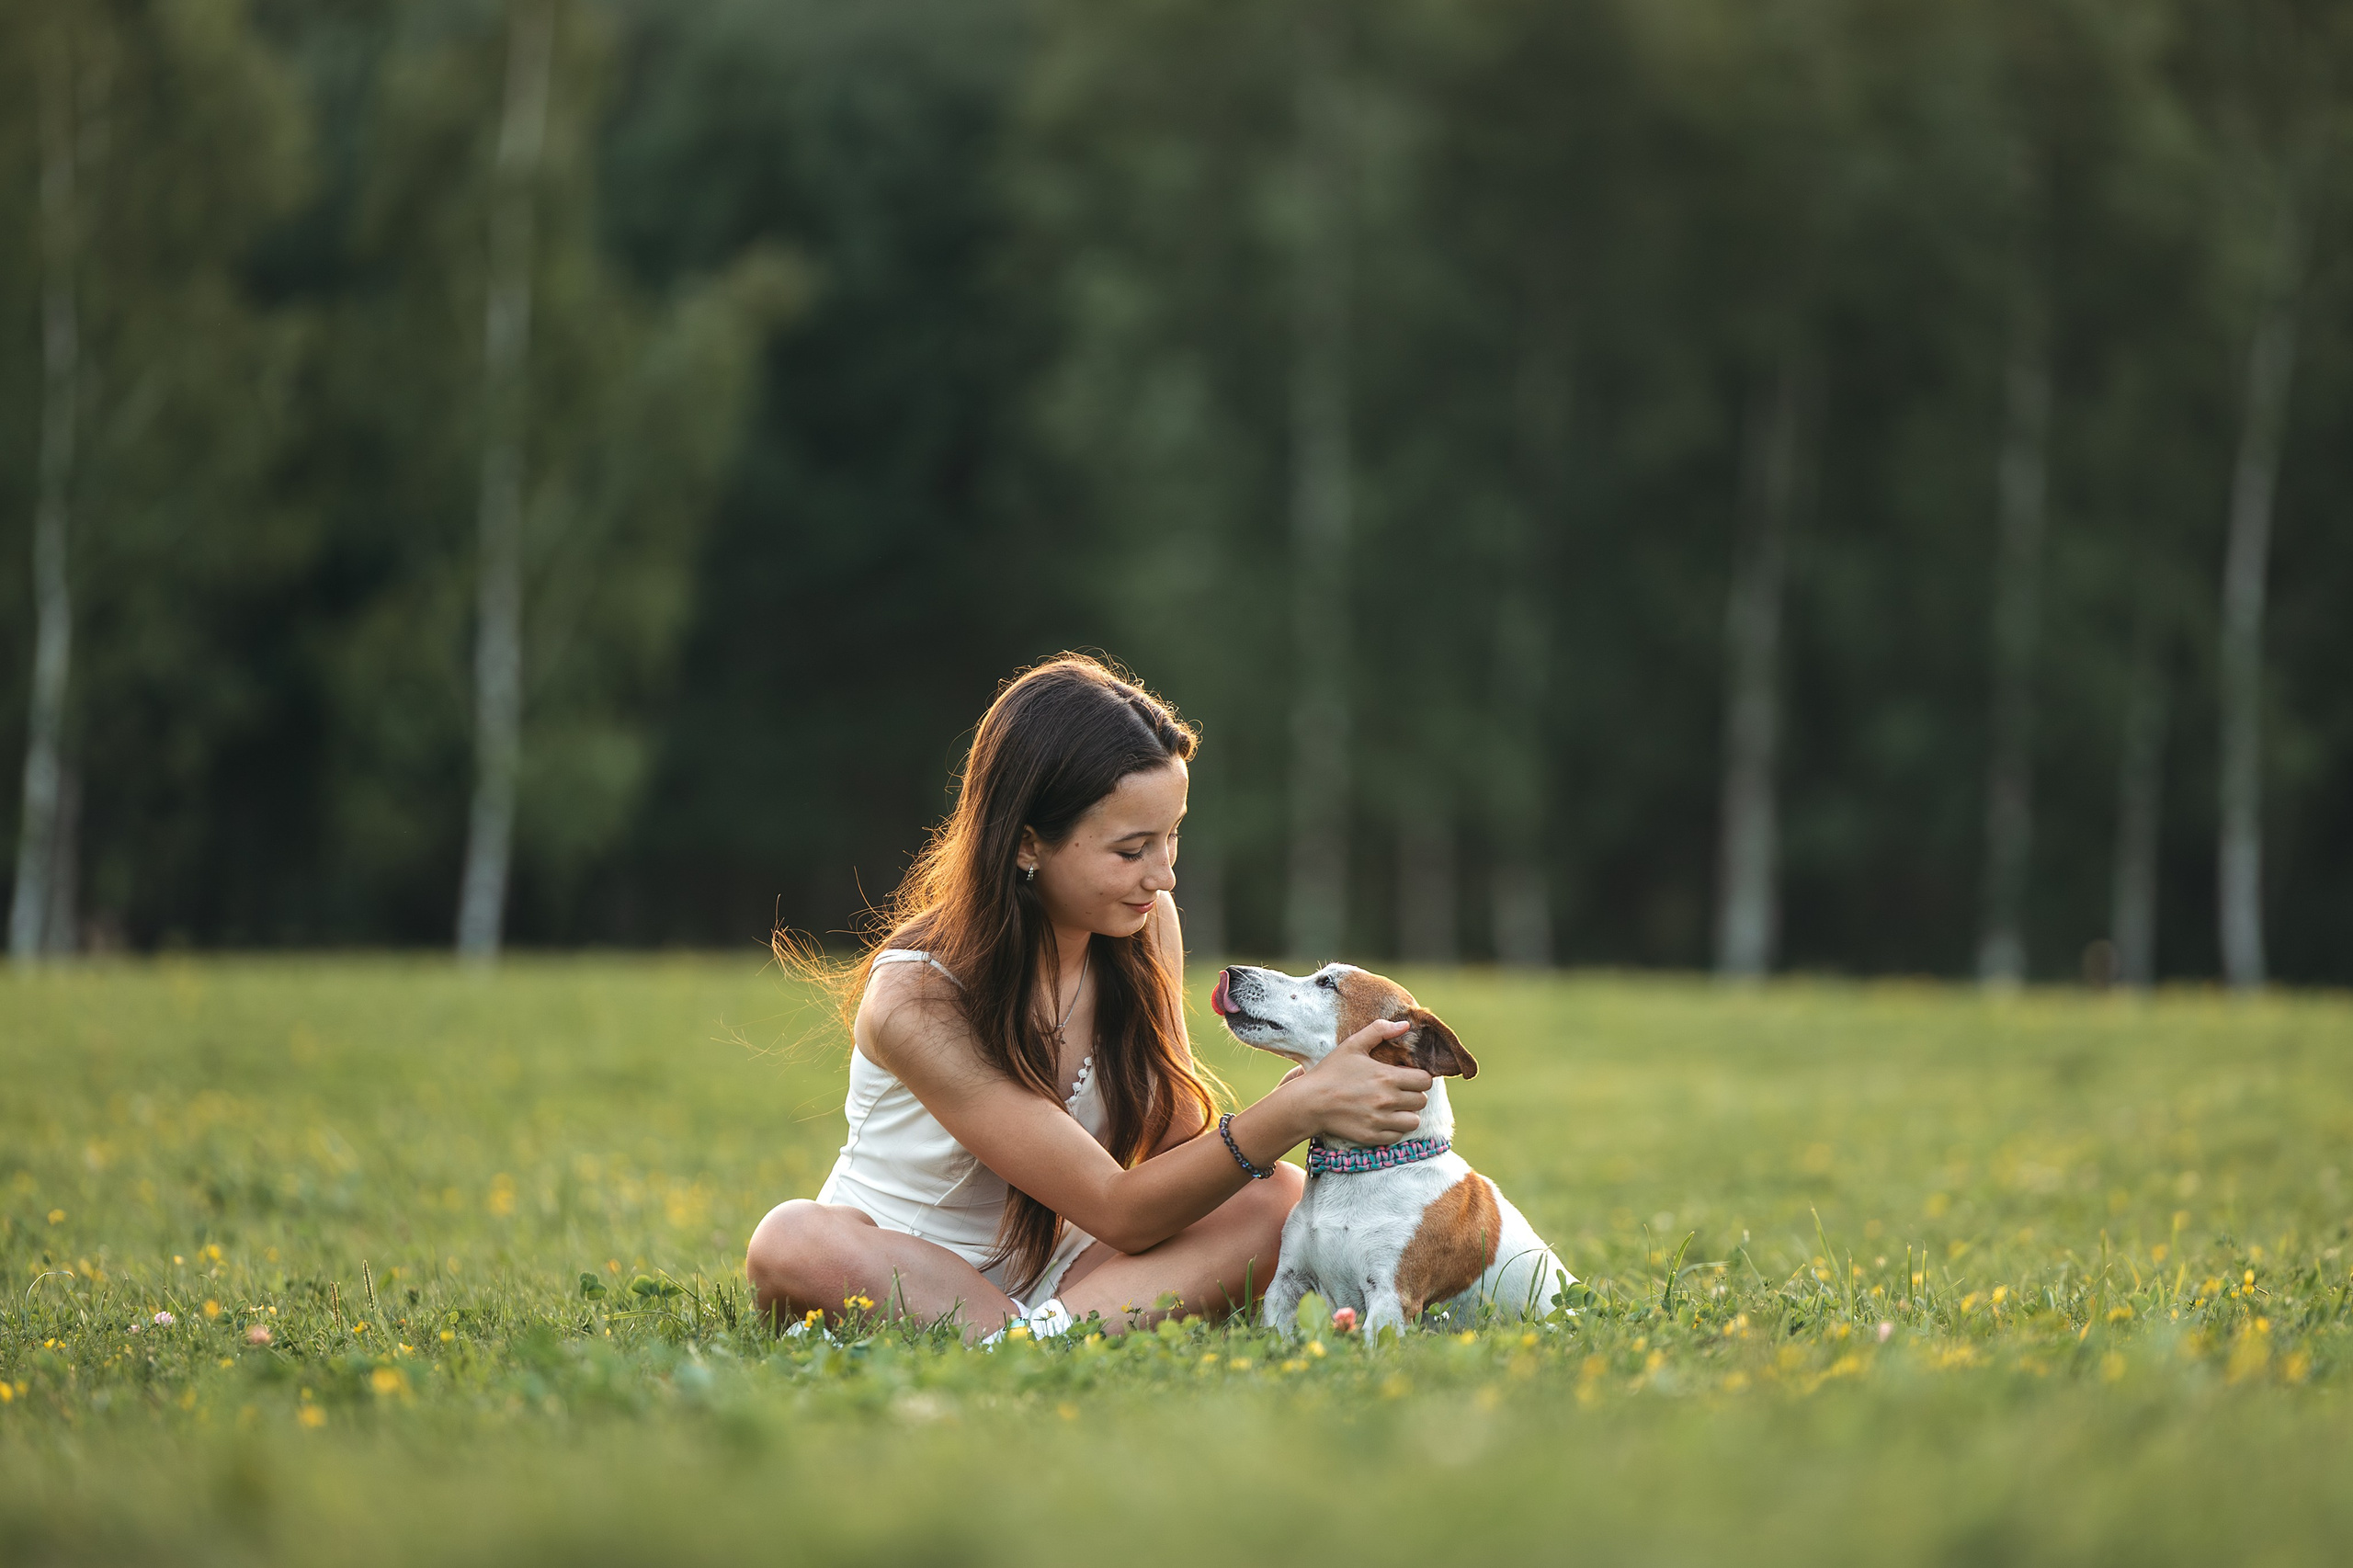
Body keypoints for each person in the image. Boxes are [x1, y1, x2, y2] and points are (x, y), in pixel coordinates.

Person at [745, 655, 1431, 1340]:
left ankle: (1031, 1335)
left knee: (1271, 1196)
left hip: (1069, 1268)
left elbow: (1177, 1140)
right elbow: (1118, 1207)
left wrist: (1319, 1096)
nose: (1162, 875)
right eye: (1131, 850)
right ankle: (1043, 1335)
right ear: (1025, 845)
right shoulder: (916, 997)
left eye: (1172, 837)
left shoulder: (1141, 925)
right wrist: (1295, 1109)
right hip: (901, 1270)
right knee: (792, 1241)